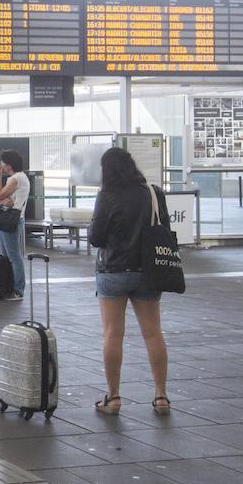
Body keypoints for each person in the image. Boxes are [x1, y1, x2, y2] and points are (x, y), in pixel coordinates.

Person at [87, 147, 172, 416]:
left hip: (113, 271)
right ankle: (161, 396)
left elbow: (96, 237)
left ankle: (113, 398)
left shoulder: (107, 195)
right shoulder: (152, 192)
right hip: (148, 270)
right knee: (153, 333)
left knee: (113, 334)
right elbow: (165, 228)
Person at [0, 149, 30, 301]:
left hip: (10, 219)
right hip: (12, 218)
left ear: (8, 165)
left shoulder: (15, 179)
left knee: (13, 256)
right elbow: (2, 199)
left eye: (2, 162)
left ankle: (18, 289)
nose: (0, 165)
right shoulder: (22, 178)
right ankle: (10, 285)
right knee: (8, 255)